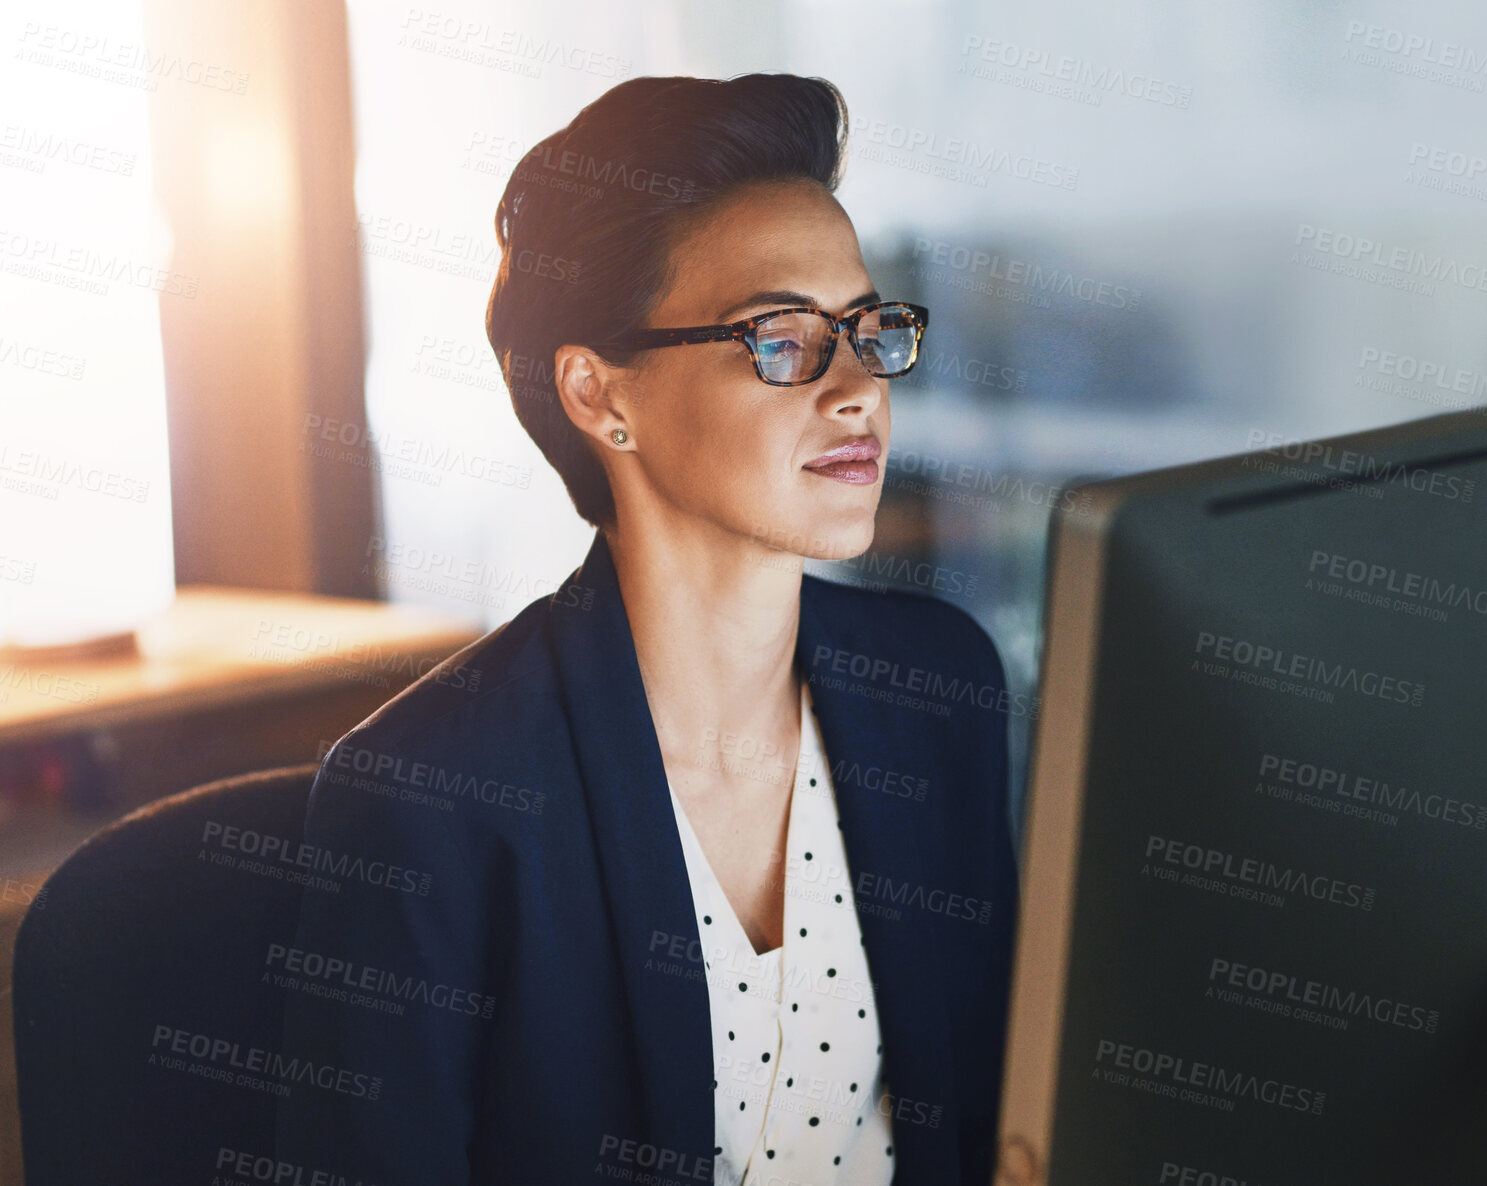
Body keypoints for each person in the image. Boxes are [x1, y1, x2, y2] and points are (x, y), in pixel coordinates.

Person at [273, 72, 1020, 1186]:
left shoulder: (936, 687)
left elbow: (996, 1115)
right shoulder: (430, 794)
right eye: (781, 335)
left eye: (870, 327)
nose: (857, 386)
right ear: (596, 393)